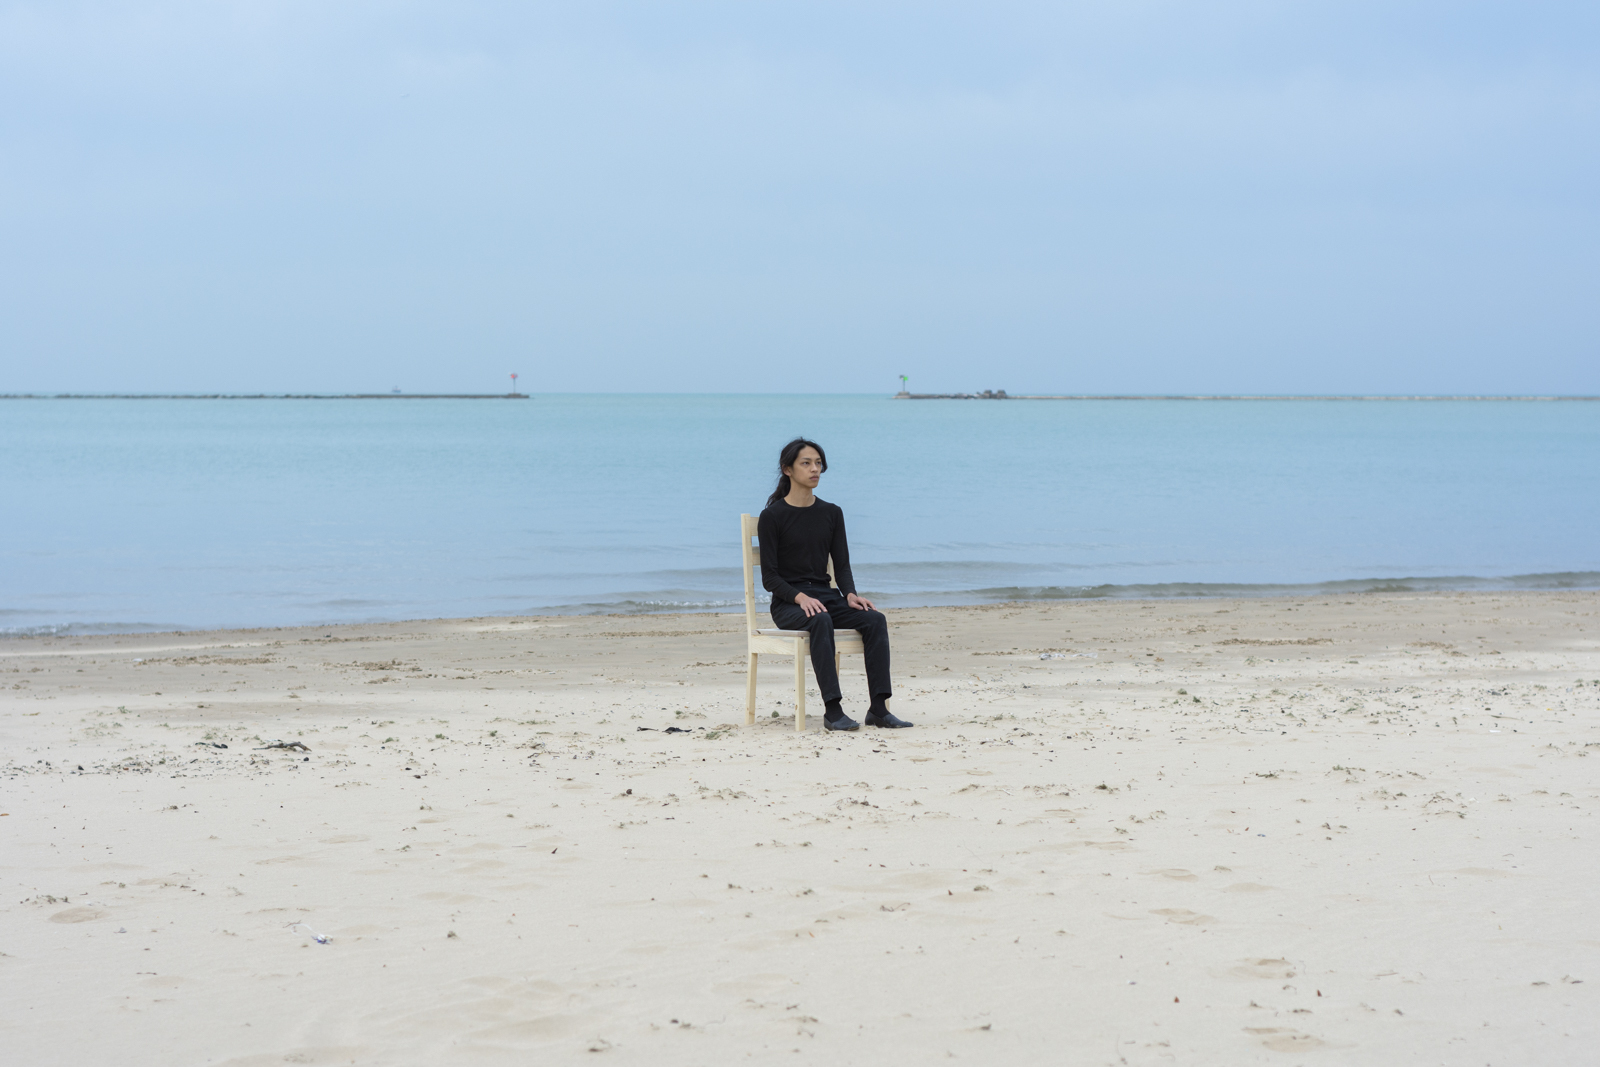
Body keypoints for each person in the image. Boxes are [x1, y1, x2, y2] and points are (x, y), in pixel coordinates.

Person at [758, 438, 911, 731]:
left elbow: (841, 565)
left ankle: (879, 708)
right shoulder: (772, 517)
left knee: (874, 619)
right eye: (807, 463)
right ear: (787, 469)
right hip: (790, 604)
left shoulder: (831, 513)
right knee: (820, 619)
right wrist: (799, 597)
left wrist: (850, 594)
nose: (815, 469)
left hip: (826, 596)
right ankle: (833, 710)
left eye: (818, 463)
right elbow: (770, 578)